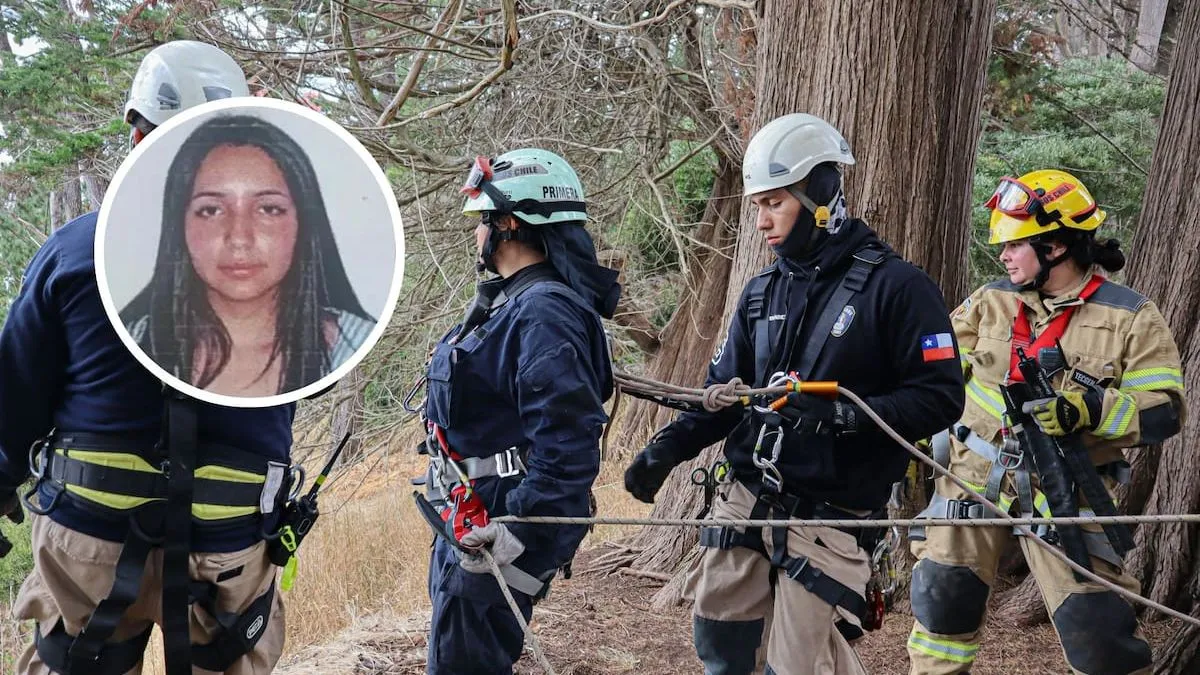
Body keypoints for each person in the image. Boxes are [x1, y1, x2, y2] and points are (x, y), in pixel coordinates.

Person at [622, 112, 966, 675]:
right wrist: (668, 449)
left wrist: (842, 415)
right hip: (747, 498)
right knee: (722, 644)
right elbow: (725, 397)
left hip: (832, 515)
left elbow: (941, 398)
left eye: (774, 203)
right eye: (756, 205)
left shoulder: (900, 289)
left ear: (820, 197)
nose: (761, 221)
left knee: (799, 666)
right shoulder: (762, 293)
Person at [1, 40, 304, 675]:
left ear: (138, 137)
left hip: (91, 535)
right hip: (229, 543)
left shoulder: (74, 251)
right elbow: (313, 373)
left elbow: (16, 399)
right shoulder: (287, 258)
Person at [906, 169, 1186, 675]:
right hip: (970, 482)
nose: (1003, 256)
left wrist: (1090, 410)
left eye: (1015, 245)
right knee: (942, 606)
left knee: (1099, 635)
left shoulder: (1130, 317)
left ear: (1055, 247)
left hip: (1066, 492)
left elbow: (1164, 410)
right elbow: (931, 372)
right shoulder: (990, 303)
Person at [418, 149, 619, 675]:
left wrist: (520, 529)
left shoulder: (544, 314)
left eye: (482, 220)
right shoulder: (511, 303)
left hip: (500, 526)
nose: (476, 234)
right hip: (474, 514)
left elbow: (567, 441)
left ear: (508, 223)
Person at [119, 112, 377, 398]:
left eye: (269, 209)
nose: (240, 239)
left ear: (303, 221)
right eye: (211, 210)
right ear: (178, 223)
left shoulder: (352, 340)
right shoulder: (131, 335)